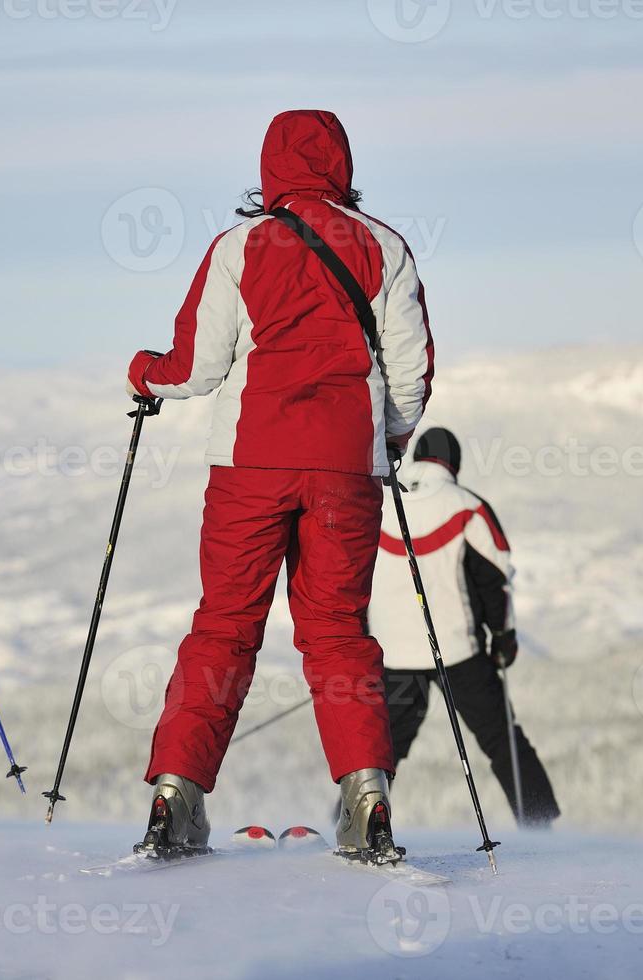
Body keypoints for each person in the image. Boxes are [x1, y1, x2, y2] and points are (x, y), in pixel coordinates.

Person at [125, 110, 435, 863]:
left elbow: (197, 367)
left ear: (269, 167)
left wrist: (145, 372)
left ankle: (176, 797)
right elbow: (412, 372)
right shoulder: (386, 248)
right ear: (341, 164)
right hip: (344, 471)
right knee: (337, 634)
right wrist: (386, 439)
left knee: (224, 626)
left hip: (249, 465)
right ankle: (366, 801)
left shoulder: (238, 247)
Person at [369, 427, 560, 826]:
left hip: (392, 652)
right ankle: (541, 827)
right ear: (454, 464)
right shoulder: (468, 507)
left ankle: (355, 825)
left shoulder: (379, 503)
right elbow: (496, 578)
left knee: (381, 753)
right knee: (502, 740)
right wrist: (503, 638)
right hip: (458, 651)